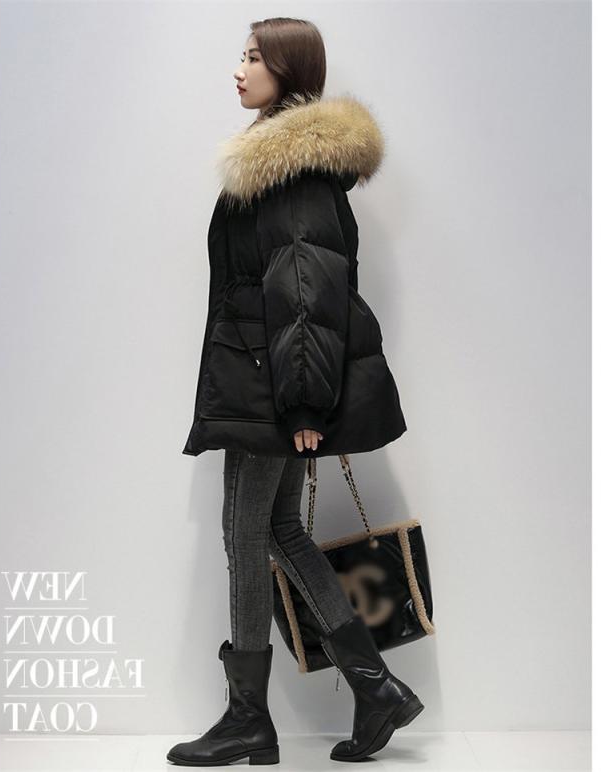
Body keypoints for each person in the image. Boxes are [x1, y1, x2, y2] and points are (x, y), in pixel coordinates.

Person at [168, 17, 423, 767]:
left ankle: (250, 719)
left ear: (288, 69)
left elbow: (307, 289)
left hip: (269, 388)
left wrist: (305, 402)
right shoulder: (279, 162)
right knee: (277, 528)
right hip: (264, 377)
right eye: (242, 55)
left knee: (244, 534)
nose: (239, 70)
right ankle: (375, 689)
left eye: (253, 57)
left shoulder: (291, 169)